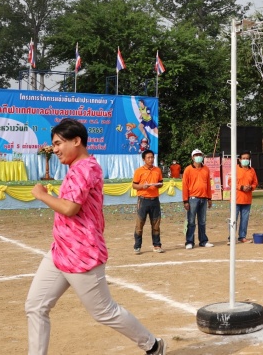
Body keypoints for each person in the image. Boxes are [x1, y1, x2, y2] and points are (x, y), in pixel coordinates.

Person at [25, 118, 166, 355]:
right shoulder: (80, 167)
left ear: (76, 141)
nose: (55, 149)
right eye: (53, 144)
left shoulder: (85, 168)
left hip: (82, 253)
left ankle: (152, 345)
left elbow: (70, 208)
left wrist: (42, 195)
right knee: (35, 306)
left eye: (58, 143)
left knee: (104, 311)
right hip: (60, 250)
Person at [132, 149, 165, 254]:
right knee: (139, 224)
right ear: (144, 159)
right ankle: (137, 246)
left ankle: (157, 245)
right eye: (148, 158)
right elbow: (134, 185)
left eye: (152, 157)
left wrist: (159, 185)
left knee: (156, 224)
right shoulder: (139, 171)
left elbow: (161, 183)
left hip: (155, 200)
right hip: (143, 200)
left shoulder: (157, 170)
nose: (151, 159)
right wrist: (143, 186)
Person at [182, 149, 214, 249]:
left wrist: (209, 198)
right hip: (192, 198)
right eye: (196, 155)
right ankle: (189, 241)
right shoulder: (188, 170)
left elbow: (208, 184)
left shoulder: (206, 169)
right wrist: (185, 200)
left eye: (200, 155)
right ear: (192, 157)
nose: (198, 157)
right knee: (191, 221)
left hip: (203, 198)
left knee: (202, 221)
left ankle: (203, 241)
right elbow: (185, 185)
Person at [229, 150, 258, 243]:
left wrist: (250, 187)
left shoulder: (252, 170)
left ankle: (242, 237)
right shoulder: (234, 169)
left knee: (244, 219)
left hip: (247, 199)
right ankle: (231, 238)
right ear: (239, 159)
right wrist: (241, 187)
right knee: (233, 219)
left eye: (247, 158)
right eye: (243, 158)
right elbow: (230, 182)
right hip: (236, 199)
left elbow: (255, 183)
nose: (245, 160)